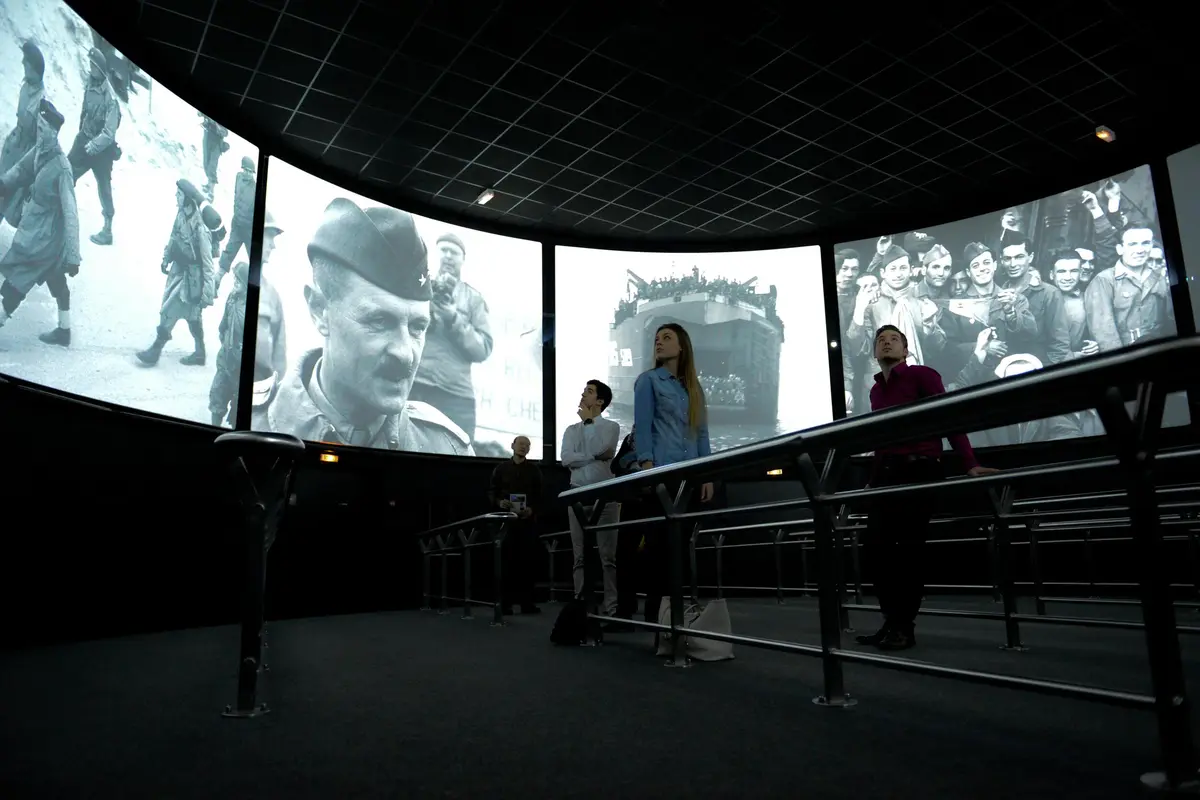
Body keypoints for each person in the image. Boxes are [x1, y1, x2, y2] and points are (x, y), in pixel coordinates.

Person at [252, 198, 471, 456]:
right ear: (319, 310)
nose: (405, 354)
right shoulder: (251, 425)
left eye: (417, 327)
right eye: (379, 321)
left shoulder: (447, 449)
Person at [855, 324, 998, 651]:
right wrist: (872, 480)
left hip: (920, 469)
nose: (886, 342)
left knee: (908, 551)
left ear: (905, 351)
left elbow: (947, 418)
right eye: (881, 340)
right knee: (876, 550)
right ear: (875, 353)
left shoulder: (923, 374)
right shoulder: (875, 391)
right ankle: (891, 621)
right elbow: (882, 440)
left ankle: (904, 627)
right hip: (887, 475)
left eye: (894, 339)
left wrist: (969, 463)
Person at [633, 322, 714, 625]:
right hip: (661, 477)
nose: (659, 342)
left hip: (689, 478)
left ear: (682, 347)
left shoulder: (693, 388)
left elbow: (702, 433)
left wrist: (707, 473)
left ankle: (678, 617)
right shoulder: (648, 381)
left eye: (667, 338)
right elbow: (643, 426)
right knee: (658, 551)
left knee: (680, 551)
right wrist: (646, 467)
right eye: (656, 338)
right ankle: (657, 619)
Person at [0, 100, 80, 342]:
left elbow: (71, 213)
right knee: (56, 279)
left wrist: (73, 256)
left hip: (45, 238)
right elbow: (21, 170)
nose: (40, 133)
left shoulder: (62, 167)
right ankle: (64, 331)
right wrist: (3, 183)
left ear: (55, 133)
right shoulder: (39, 151)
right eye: (39, 128)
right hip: (35, 227)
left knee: (19, 278)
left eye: (45, 130)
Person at [408, 232, 492, 443]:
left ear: (463, 258)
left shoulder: (473, 299)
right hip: (417, 384)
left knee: (458, 452)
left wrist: (454, 318)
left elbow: (483, 349)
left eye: (453, 252)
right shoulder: (420, 286)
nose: (448, 256)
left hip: (456, 395)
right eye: (443, 250)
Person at [561, 380, 625, 625]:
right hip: (577, 496)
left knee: (608, 557)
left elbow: (606, 449)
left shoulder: (611, 426)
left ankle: (611, 609)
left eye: (588, 391)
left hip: (605, 497)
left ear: (600, 401)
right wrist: (592, 457)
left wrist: (589, 424)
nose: (582, 394)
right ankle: (582, 607)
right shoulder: (569, 430)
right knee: (579, 556)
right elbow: (566, 459)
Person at [135, 179, 215, 367]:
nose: (176, 197)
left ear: (187, 199)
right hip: (178, 272)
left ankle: (155, 351)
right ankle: (200, 353)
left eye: (179, 195)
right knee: (193, 316)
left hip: (191, 279)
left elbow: (208, 264)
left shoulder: (200, 227)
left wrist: (207, 294)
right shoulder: (181, 214)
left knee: (169, 310)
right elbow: (174, 237)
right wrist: (166, 258)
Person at [67, 47, 121, 247]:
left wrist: (93, 146)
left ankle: (107, 230)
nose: (90, 69)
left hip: (102, 150)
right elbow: (84, 112)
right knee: (66, 173)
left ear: (101, 69)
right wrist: (81, 136)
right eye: (90, 65)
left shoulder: (111, 97)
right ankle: (58, 214)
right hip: (85, 139)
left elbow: (109, 132)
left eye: (93, 66)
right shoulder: (90, 85)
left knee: (104, 188)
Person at [488, 435, 542, 614]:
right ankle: (505, 604)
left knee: (527, 563)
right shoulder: (501, 469)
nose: (523, 447)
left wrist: (532, 509)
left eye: (527, 445)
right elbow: (491, 491)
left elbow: (540, 495)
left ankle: (527, 603)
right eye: (520, 444)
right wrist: (498, 502)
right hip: (505, 523)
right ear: (512, 446)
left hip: (527, 523)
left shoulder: (534, 471)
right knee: (506, 563)